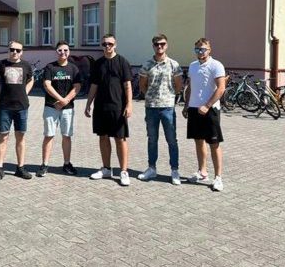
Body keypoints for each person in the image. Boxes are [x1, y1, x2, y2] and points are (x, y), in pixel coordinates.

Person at [85, 34, 133, 186]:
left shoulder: (122, 62)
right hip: (101, 107)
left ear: (115, 45)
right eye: (105, 44)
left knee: (120, 138)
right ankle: (106, 169)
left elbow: (127, 85)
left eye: (110, 44)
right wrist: (88, 104)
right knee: (103, 137)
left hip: (118, 107)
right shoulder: (98, 63)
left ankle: (123, 171)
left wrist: (129, 105)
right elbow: (94, 85)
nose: (107, 46)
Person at [137, 34, 184, 185]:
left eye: (162, 44)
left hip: (168, 108)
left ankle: (174, 170)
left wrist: (169, 97)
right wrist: (151, 96)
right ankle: (151, 168)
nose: (159, 46)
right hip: (151, 108)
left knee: (172, 140)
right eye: (157, 44)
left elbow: (178, 86)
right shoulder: (147, 65)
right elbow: (142, 85)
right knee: (152, 140)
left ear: (167, 45)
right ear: (153, 46)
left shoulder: (174, 64)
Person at [182, 38, 226, 191]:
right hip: (194, 109)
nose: (200, 52)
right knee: (198, 141)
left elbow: (221, 88)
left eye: (203, 49)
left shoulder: (216, 65)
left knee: (214, 143)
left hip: (210, 110)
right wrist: (186, 105)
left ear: (209, 50)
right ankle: (202, 172)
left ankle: (218, 177)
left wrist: (207, 105)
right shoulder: (193, 66)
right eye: (197, 49)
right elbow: (190, 87)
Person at [0, 40, 34, 182]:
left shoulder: (26, 65)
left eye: (18, 50)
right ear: (8, 50)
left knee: (20, 137)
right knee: (3, 137)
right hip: (5, 107)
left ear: (22, 52)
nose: (14, 52)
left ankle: (20, 168)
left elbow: (31, 79)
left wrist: (26, 93)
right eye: (12, 49)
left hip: (22, 107)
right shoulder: (0, 64)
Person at [36, 40, 82, 177]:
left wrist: (65, 101)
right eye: (60, 50)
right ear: (56, 52)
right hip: (51, 107)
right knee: (49, 135)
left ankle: (67, 164)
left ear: (69, 52)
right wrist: (61, 100)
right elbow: (47, 85)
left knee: (66, 136)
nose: (63, 52)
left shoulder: (74, 68)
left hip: (68, 109)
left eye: (65, 50)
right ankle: (44, 165)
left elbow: (77, 87)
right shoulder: (50, 67)